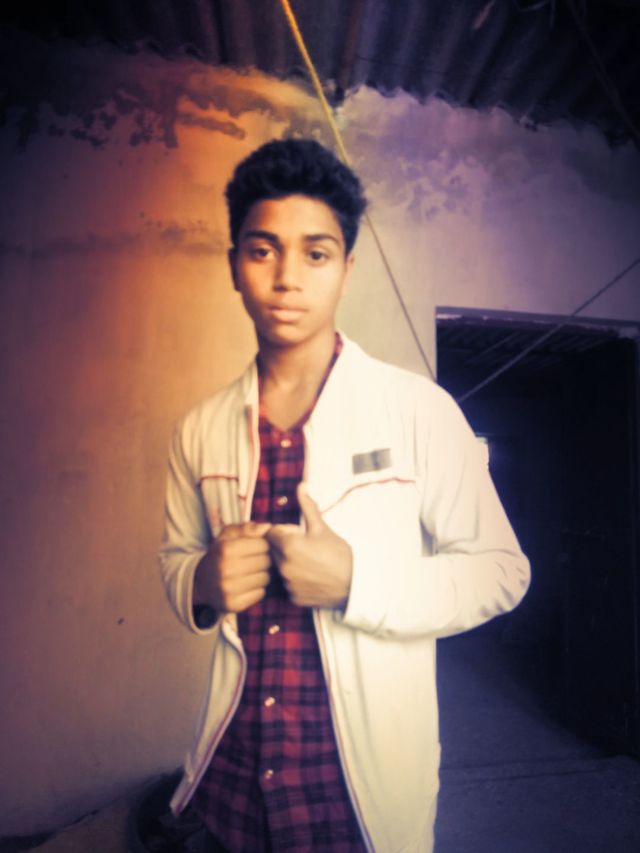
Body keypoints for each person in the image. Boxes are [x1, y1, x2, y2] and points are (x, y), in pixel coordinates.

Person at [159, 138, 530, 853]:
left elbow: (503, 572)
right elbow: (174, 559)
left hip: (355, 801)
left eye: (316, 253)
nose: (287, 278)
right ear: (234, 265)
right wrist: (202, 580)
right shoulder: (199, 429)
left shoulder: (418, 410)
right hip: (231, 784)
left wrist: (357, 581)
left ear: (348, 268)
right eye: (262, 251)